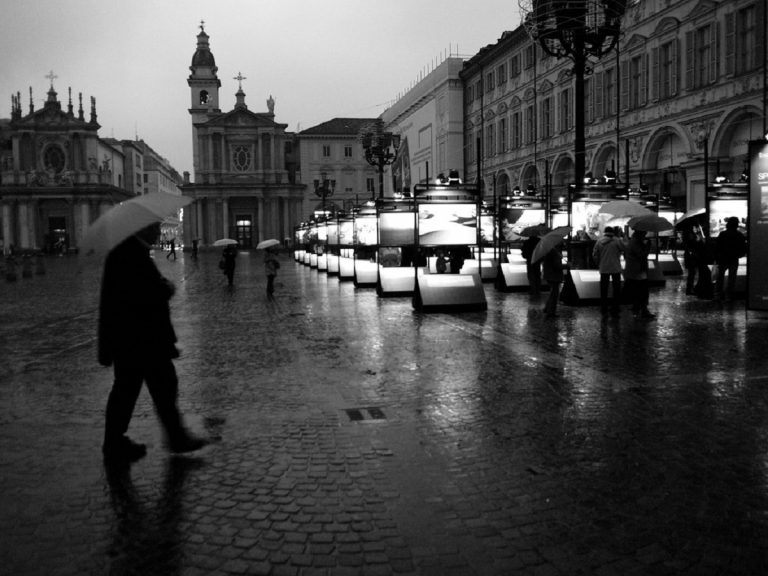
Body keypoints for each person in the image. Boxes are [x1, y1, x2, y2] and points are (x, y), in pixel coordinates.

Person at [98, 222, 207, 462]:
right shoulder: (129, 254)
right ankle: (170, 438)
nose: (158, 232)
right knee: (156, 387)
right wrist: (165, 288)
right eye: (154, 228)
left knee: (137, 390)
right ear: (142, 229)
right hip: (141, 339)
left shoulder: (128, 251)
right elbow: (140, 295)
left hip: (134, 339)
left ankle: (117, 442)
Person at [592, 226, 623, 316]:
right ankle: (615, 307)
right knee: (616, 289)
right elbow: (624, 249)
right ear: (613, 232)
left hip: (604, 268)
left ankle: (604, 306)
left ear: (605, 232)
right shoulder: (617, 240)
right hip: (616, 268)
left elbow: (594, 254)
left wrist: (599, 263)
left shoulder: (599, 241)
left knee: (604, 289)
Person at [714, 217, 747, 302]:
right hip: (733, 259)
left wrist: (717, 256)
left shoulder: (722, 234)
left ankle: (718, 295)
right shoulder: (740, 235)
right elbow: (743, 248)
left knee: (720, 277)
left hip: (723, 259)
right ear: (736, 224)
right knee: (732, 279)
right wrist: (738, 255)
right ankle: (728, 296)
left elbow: (717, 247)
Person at [624, 229, 654, 319]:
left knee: (639, 291)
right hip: (637, 271)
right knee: (641, 291)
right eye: (644, 233)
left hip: (637, 270)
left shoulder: (634, 242)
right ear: (640, 233)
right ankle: (641, 310)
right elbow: (642, 255)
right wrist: (648, 246)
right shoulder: (635, 243)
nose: (645, 235)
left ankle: (640, 309)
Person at [542, 240, 565, 318]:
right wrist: (567, 265)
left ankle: (547, 308)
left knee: (552, 292)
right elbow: (557, 265)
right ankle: (551, 312)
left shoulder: (550, 250)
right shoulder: (554, 252)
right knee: (554, 294)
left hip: (549, 275)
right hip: (554, 276)